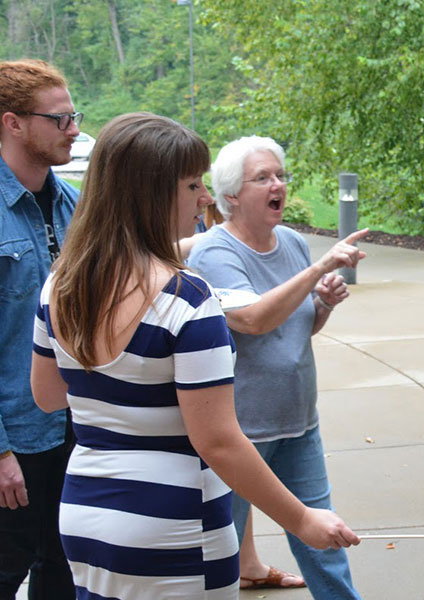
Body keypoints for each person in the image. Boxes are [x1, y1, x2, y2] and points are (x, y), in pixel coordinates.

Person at [27, 113, 359, 599]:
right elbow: (219, 441)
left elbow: (48, 395)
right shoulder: (187, 299)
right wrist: (303, 519)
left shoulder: (60, 284)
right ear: (150, 194)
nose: (205, 198)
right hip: (174, 525)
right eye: (191, 185)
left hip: (86, 515)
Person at [188, 135, 368, 598]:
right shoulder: (215, 251)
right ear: (231, 195)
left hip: (298, 423)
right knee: (218, 555)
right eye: (263, 177)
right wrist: (317, 270)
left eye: (281, 176)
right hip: (241, 433)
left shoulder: (289, 242)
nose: (278, 185)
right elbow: (251, 320)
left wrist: (323, 304)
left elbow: (294, 330)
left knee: (325, 539)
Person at [0, 58, 80, 600]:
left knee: (66, 567)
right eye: (60, 119)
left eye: (74, 116)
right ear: (13, 123)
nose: (74, 129)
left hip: (77, 426)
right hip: (15, 438)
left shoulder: (76, 204)